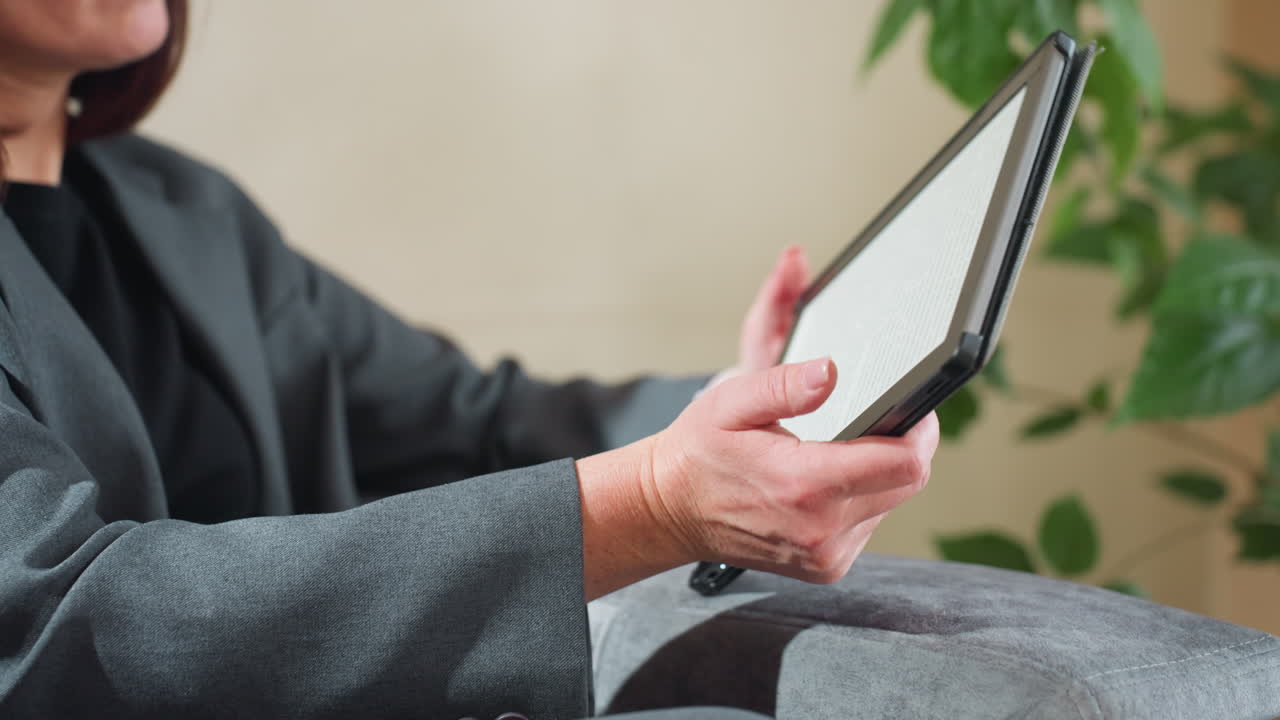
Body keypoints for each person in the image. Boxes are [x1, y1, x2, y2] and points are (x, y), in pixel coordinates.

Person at [0, 1, 939, 718]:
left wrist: (748, 401)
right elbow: (63, 613)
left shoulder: (184, 208)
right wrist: (650, 503)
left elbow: (469, 422)